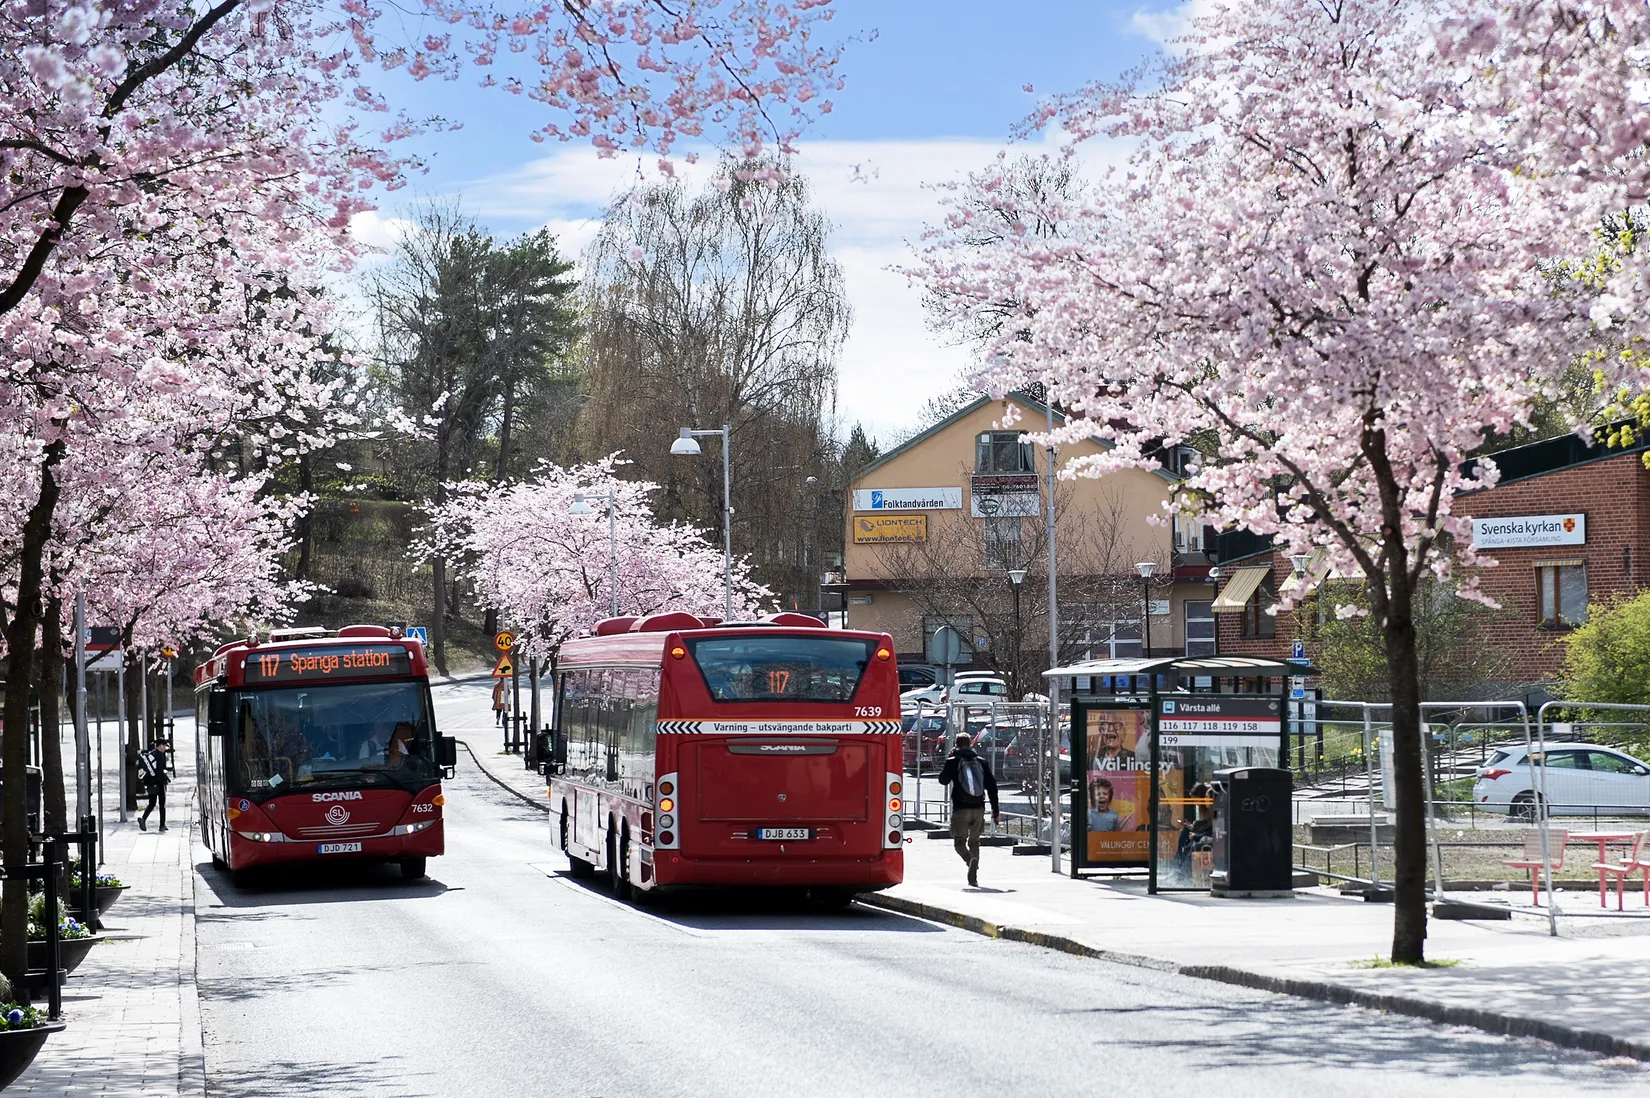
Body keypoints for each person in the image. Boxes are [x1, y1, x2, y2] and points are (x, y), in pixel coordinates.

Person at [938, 731, 999, 887]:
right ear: (971, 743)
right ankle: (973, 877)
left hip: (961, 809)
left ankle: (968, 859)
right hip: (979, 808)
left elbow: (943, 781)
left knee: (959, 842)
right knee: (975, 842)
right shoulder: (982, 762)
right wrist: (995, 811)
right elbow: (992, 787)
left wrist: (949, 759)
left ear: (957, 745)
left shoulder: (953, 761)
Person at [138, 740, 170, 832]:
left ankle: (143, 819)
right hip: (159, 783)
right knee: (162, 804)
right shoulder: (160, 756)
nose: (165, 748)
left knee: (152, 803)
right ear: (160, 746)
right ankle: (162, 825)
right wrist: (164, 779)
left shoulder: (151, 754)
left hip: (150, 783)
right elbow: (160, 770)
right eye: (164, 746)